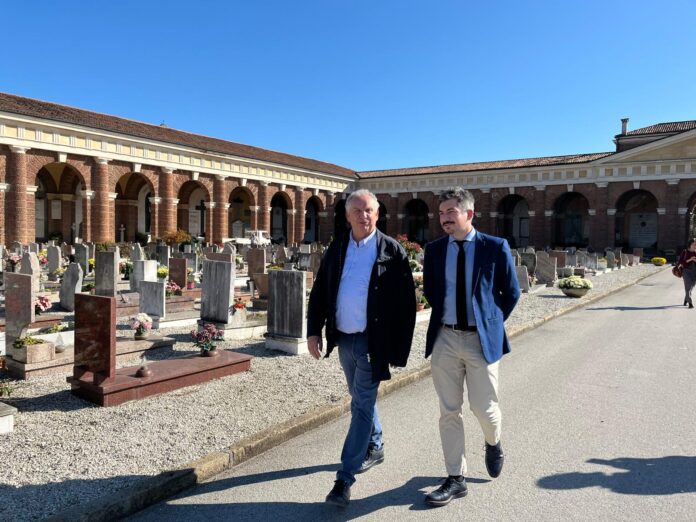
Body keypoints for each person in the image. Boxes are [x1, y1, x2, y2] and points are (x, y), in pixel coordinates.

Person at [307, 189, 416, 507]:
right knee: (360, 397)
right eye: (357, 210)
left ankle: (344, 479)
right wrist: (314, 331)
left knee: (361, 406)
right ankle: (376, 445)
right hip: (345, 339)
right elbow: (321, 291)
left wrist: (397, 349)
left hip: (373, 342)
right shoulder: (338, 247)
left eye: (369, 210)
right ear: (347, 215)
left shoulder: (391, 251)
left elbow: (406, 305)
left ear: (378, 214)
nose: (363, 215)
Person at [422, 187, 520, 507]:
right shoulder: (435, 250)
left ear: (469, 214)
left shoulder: (495, 247)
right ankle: (455, 477)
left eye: (451, 212)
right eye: (441, 213)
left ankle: (493, 442)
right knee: (449, 411)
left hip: (481, 340)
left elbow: (511, 292)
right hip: (446, 338)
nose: (445, 218)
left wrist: (489, 322)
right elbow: (433, 293)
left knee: (484, 408)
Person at [676, 238, 696, 308]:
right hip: (686, 271)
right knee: (688, 287)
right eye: (694, 244)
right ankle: (690, 303)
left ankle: (686, 299)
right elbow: (681, 262)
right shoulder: (685, 251)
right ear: (690, 245)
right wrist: (690, 259)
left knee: (691, 287)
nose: (695, 246)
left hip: (694, 272)